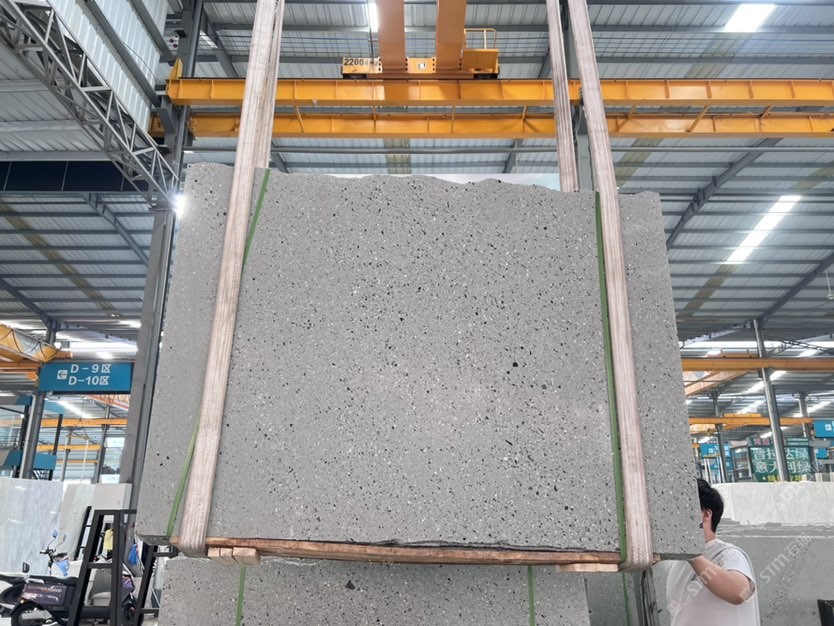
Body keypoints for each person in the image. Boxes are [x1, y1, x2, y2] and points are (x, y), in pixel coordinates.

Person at [666, 478, 760, 625]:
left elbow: (740, 592)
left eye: (682, 508)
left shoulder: (728, 554)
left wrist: (691, 553)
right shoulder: (678, 563)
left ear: (706, 515)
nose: (675, 516)